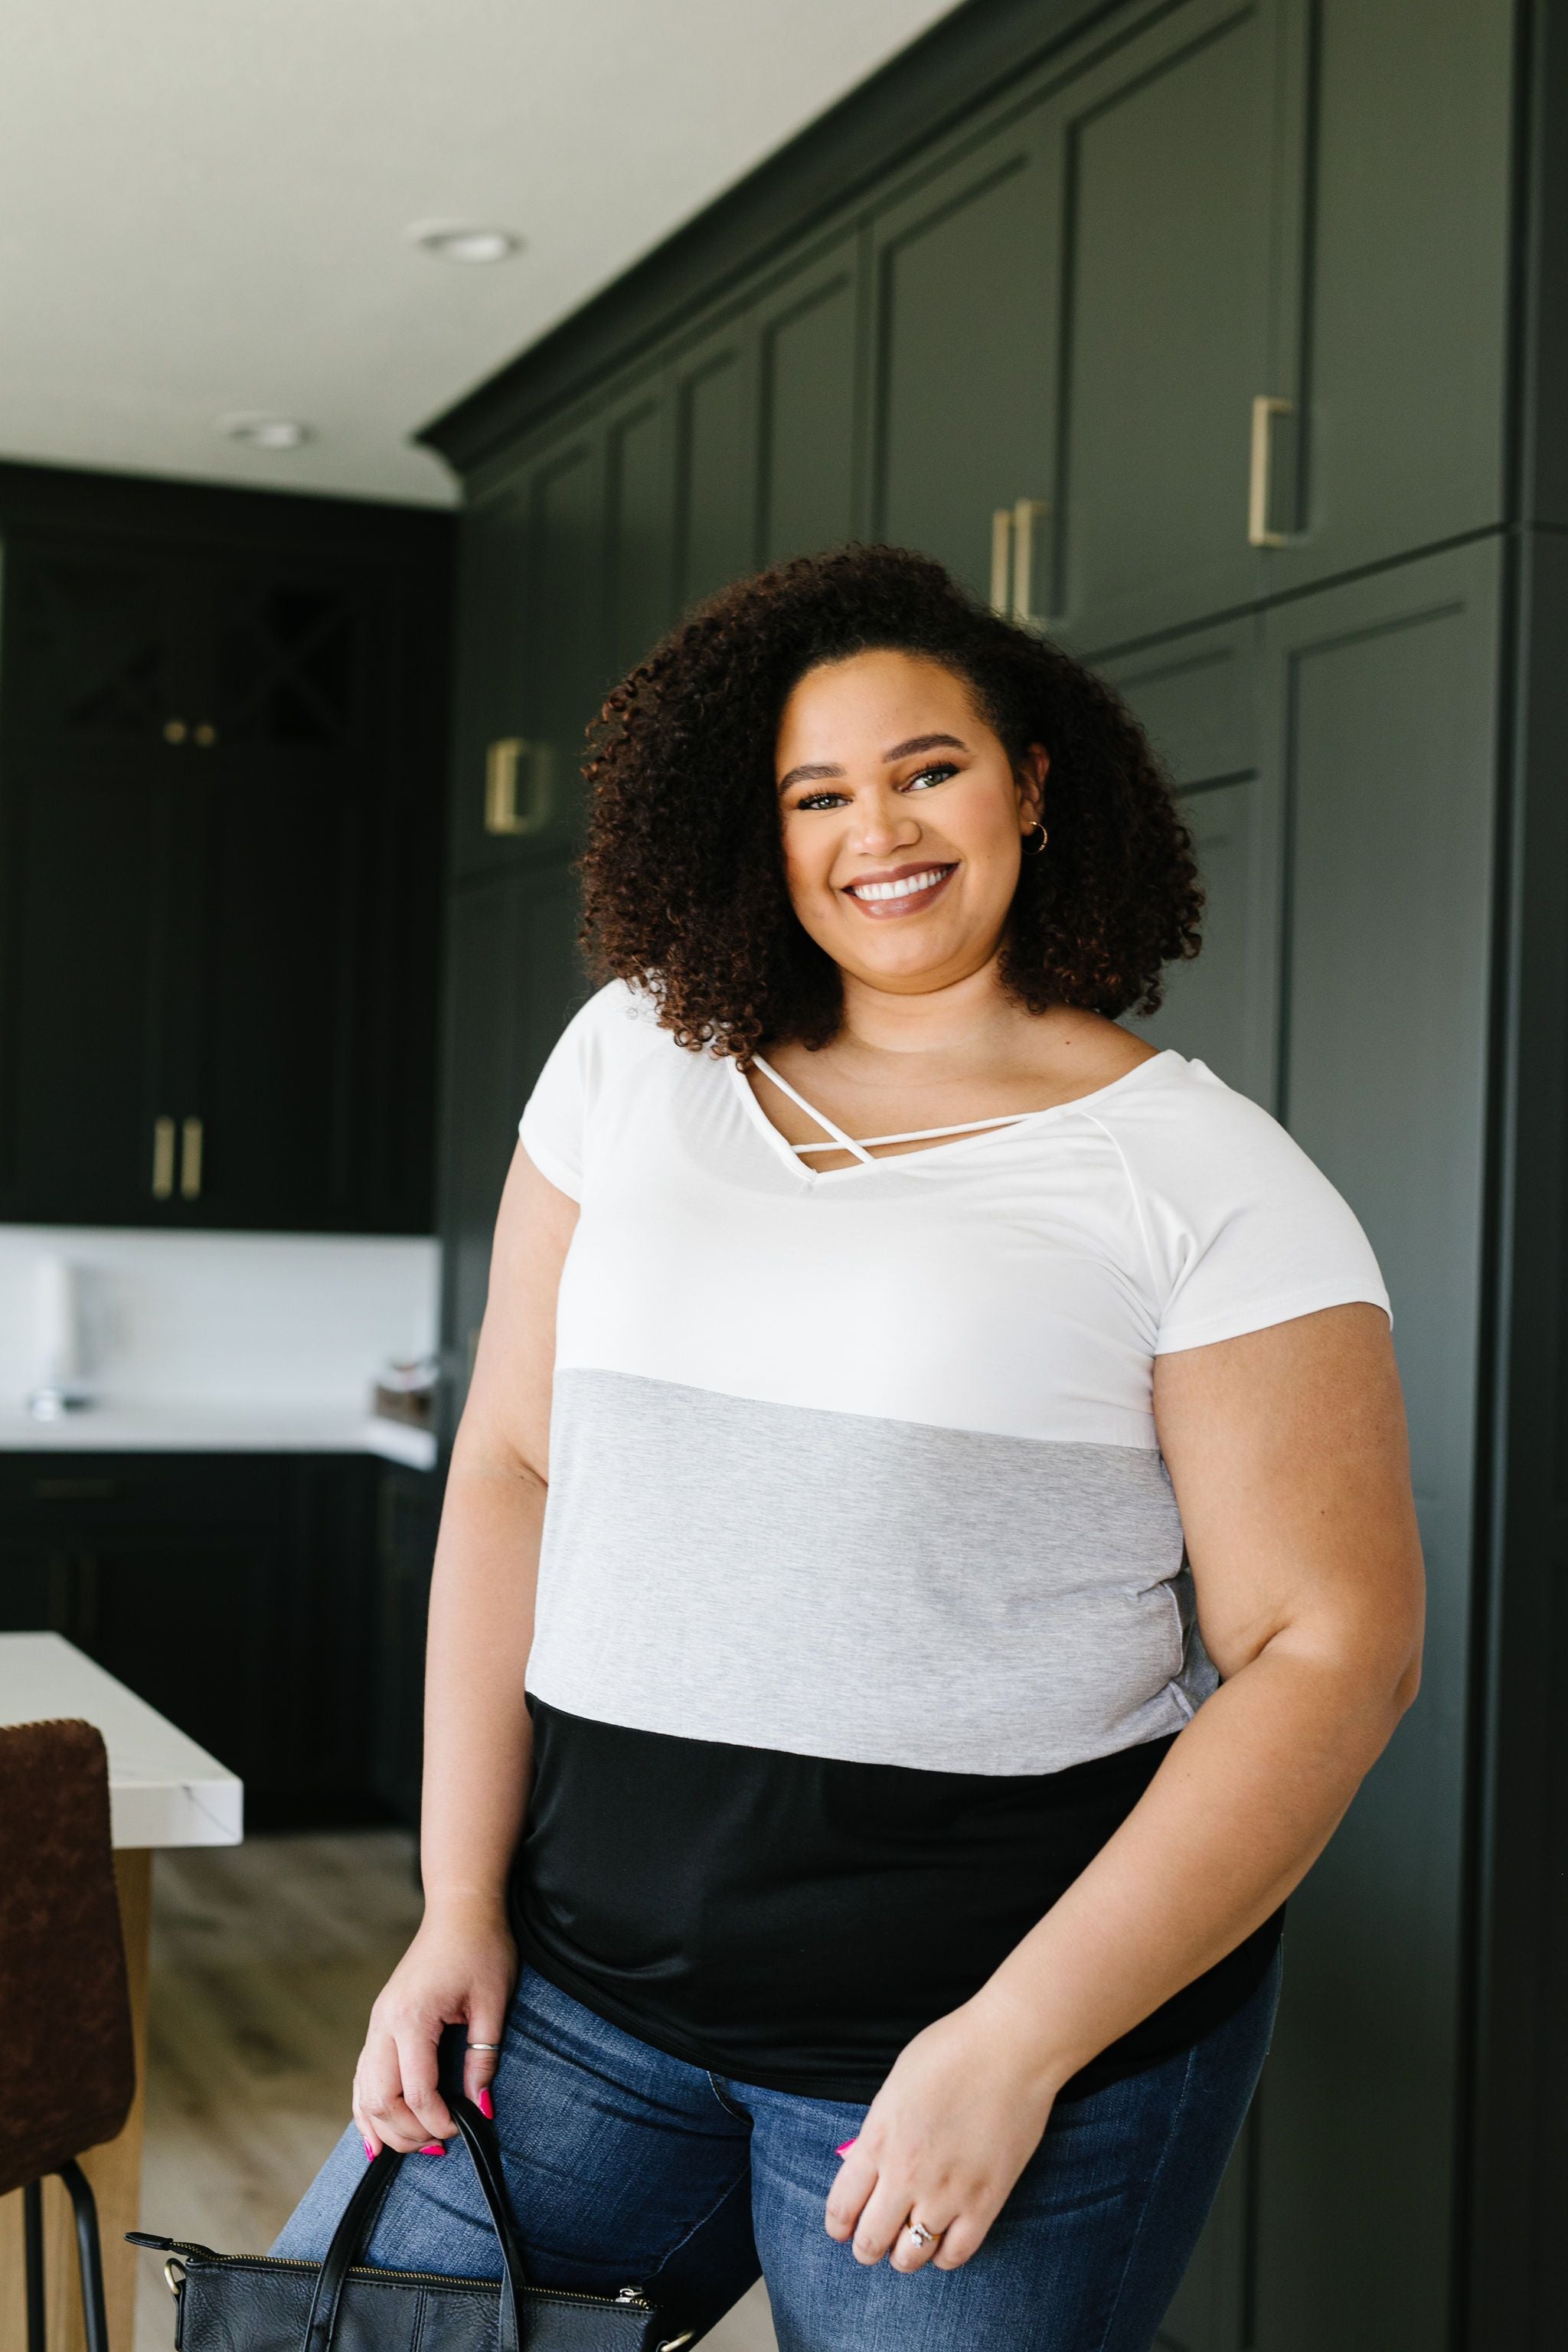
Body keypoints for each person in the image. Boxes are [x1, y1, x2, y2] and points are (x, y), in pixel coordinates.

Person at [275, 544, 1424, 2351]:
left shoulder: (1201, 1177)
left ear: (1033, 785)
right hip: (580, 1999)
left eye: (927, 769)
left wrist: (1016, 2043)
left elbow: (1333, 1647)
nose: (874, 829)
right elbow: (507, 1464)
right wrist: (457, 1902)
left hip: (976, 2049)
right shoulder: (631, 1060)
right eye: (816, 791)